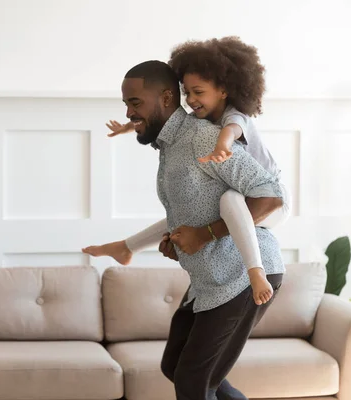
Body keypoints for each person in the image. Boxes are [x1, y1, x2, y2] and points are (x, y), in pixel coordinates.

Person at [83, 60, 286, 400]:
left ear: (164, 98)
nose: (130, 113)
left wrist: (204, 235)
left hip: (242, 276)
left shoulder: (201, 138)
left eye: (135, 103)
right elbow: (193, 215)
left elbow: (270, 196)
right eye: (126, 104)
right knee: (175, 366)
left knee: (193, 381)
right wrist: (175, 240)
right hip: (208, 281)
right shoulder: (170, 147)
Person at [87, 37, 291, 306]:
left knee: (228, 201)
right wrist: (129, 126)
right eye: (188, 93)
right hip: (241, 203)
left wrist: (221, 145)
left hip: (273, 201)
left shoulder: (232, 118)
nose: (191, 100)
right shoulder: (198, 122)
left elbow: (233, 136)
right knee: (198, 210)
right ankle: (128, 247)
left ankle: (256, 271)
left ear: (224, 90)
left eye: (198, 92)